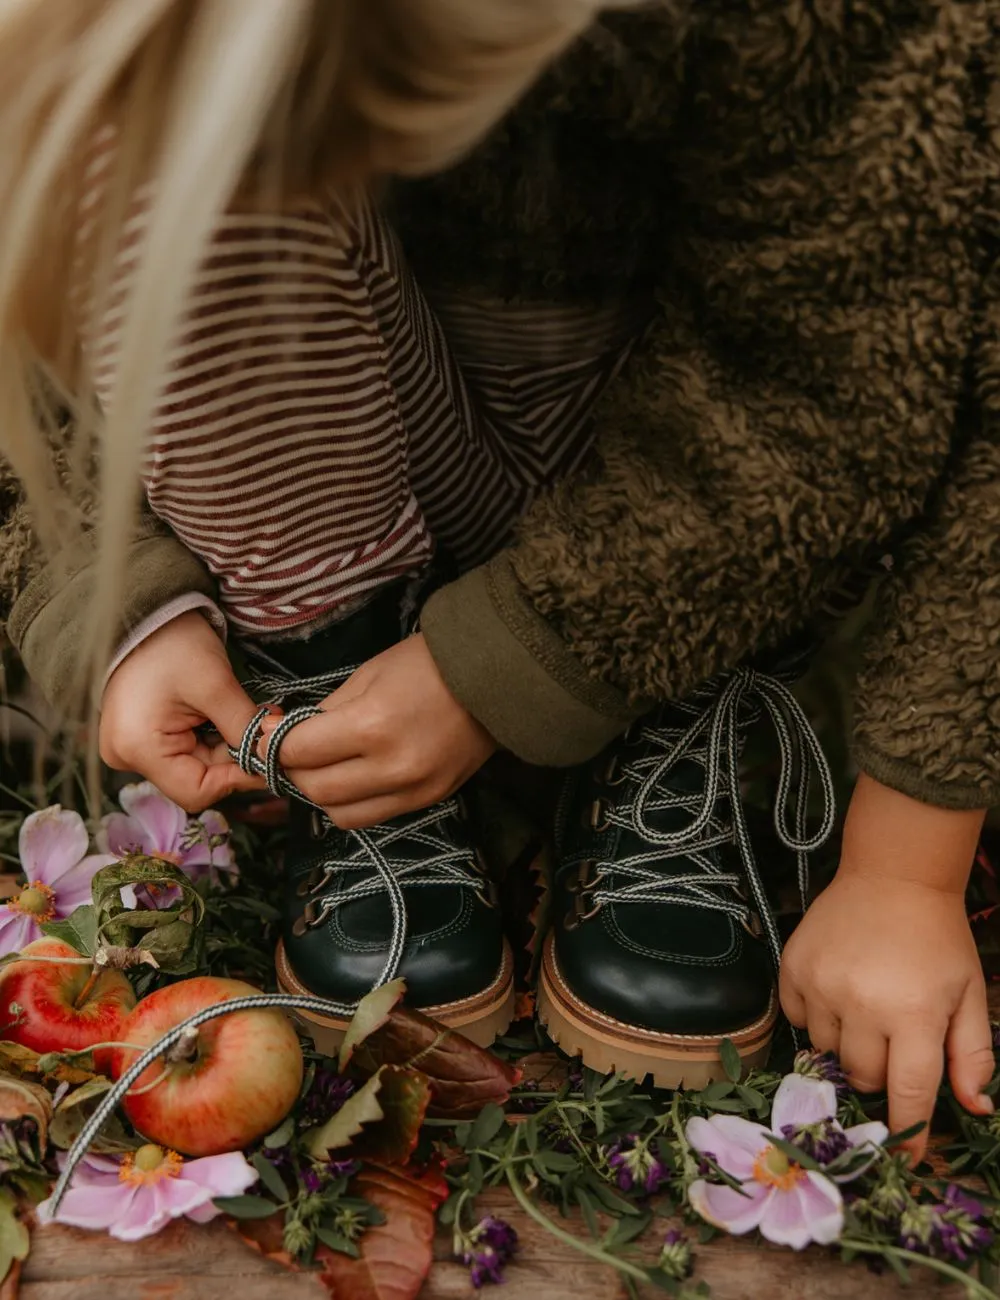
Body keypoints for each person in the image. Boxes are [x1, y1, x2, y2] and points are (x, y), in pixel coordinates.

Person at [1, 0, 997, 1163]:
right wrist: (123, 603)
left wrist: (904, 868)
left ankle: (658, 705)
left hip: (704, 484)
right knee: (142, 160)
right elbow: (38, 250)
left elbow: (895, 362)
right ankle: (340, 674)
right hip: (360, 438)